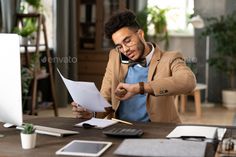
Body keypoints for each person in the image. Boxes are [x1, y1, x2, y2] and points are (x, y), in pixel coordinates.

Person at [72, 10, 196, 123]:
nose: (125, 50)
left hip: (157, 132)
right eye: (119, 46)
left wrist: (139, 88)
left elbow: (188, 82)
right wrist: (91, 112)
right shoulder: (115, 56)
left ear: (140, 34)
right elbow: (106, 99)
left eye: (127, 41)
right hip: (119, 130)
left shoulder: (170, 58)